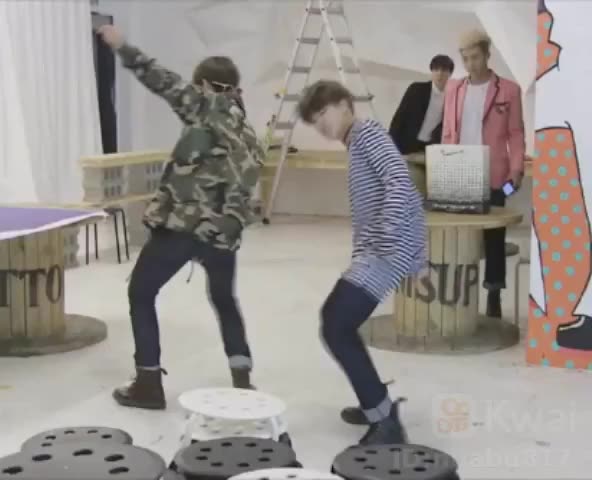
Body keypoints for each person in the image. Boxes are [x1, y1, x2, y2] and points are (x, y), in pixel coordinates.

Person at [97, 25, 265, 410]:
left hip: (184, 228)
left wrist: (122, 46)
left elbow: (159, 78)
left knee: (141, 293)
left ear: (203, 85)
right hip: (223, 233)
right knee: (224, 298)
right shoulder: (246, 129)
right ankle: (242, 377)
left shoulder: (204, 107)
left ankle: (148, 382)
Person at [297, 80, 426, 445]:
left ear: (345, 105)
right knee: (338, 323)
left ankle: (385, 420)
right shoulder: (356, 142)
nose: (321, 125)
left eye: (323, 113)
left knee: (336, 324)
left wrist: (387, 240)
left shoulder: (367, 134)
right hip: (380, 251)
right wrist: (415, 259)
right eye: (314, 121)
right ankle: (375, 402)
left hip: (384, 252)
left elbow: (400, 182)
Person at [442, 29, 525, 318]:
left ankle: (493, 294)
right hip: (459, 172)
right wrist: (443, 164)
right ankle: (457, 295)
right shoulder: (454, 89)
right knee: (457, 236)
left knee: (494, 237)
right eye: (465, 58)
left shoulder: (509, 90)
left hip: (494, 175)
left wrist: (516, 169)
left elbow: (516, 134)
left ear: (488, 54)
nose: (470, 64)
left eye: (475, 57)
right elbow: (447, 131)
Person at [389, 55, 454, 155]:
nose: (439, 73)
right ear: (431, 71)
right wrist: (388, 146)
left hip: (429, 148)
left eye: (444, 70)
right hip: (405, 144)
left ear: (450, 73)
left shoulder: (451, 98)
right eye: (436, 69)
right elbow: (399, 117)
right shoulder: (416, 89)